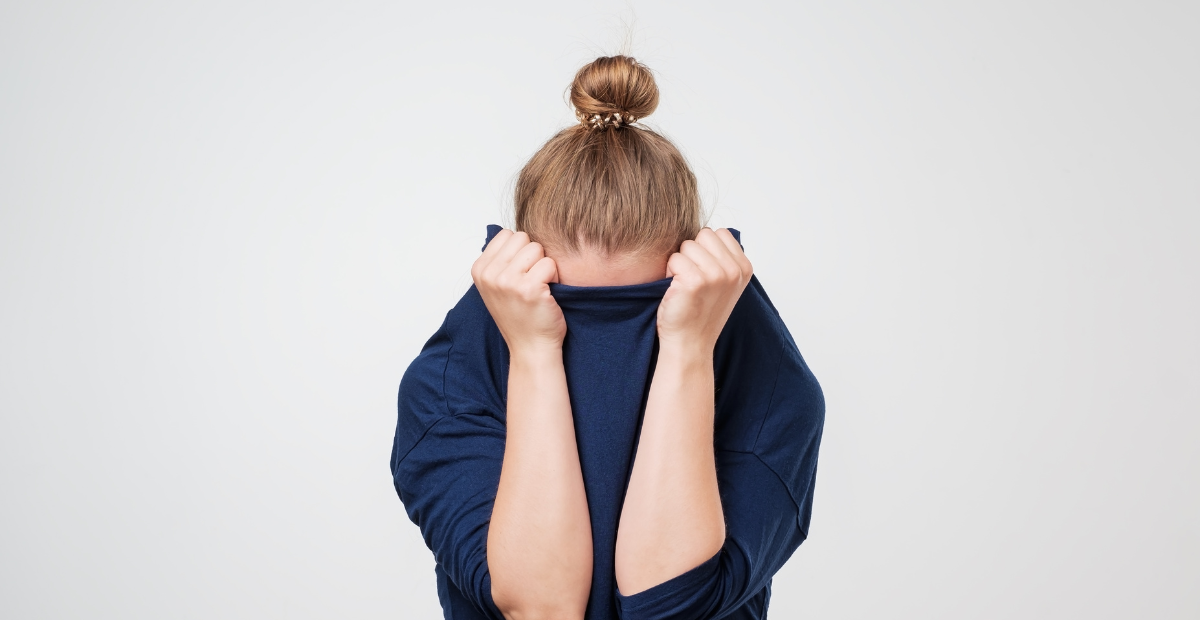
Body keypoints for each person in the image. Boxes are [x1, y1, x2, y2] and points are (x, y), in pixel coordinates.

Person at [390, 55, 825, 620]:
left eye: (643, 312)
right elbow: (542, 610)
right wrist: (534, 353)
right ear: (514, 283)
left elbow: (667, 607)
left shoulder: (769, 388)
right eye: (570, 309)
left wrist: (688, 350)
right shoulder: (448, 387)